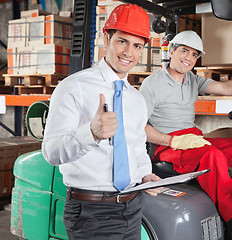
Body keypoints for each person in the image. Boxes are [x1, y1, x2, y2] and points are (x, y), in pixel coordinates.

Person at [139, 30, 232, 240]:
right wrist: (172, 140)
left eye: (194, 55)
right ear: (172, 51)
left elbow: (223, 87)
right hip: (168, 146)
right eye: (184, 51)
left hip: (194, 139)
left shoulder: (192, 80)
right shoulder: (152, 84)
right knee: (212, 156)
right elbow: (139, 127)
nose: (189, 58)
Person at [42, 4, 161, 239]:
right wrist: (92, 133)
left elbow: (136, 147)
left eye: (137, 45)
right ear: (107, 37)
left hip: (132, 207)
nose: (129, 52)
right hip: (92, 212)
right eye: (122, 41)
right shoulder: (73, 87)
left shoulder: (136, 99)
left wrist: (146, 175)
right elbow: (51, 152)